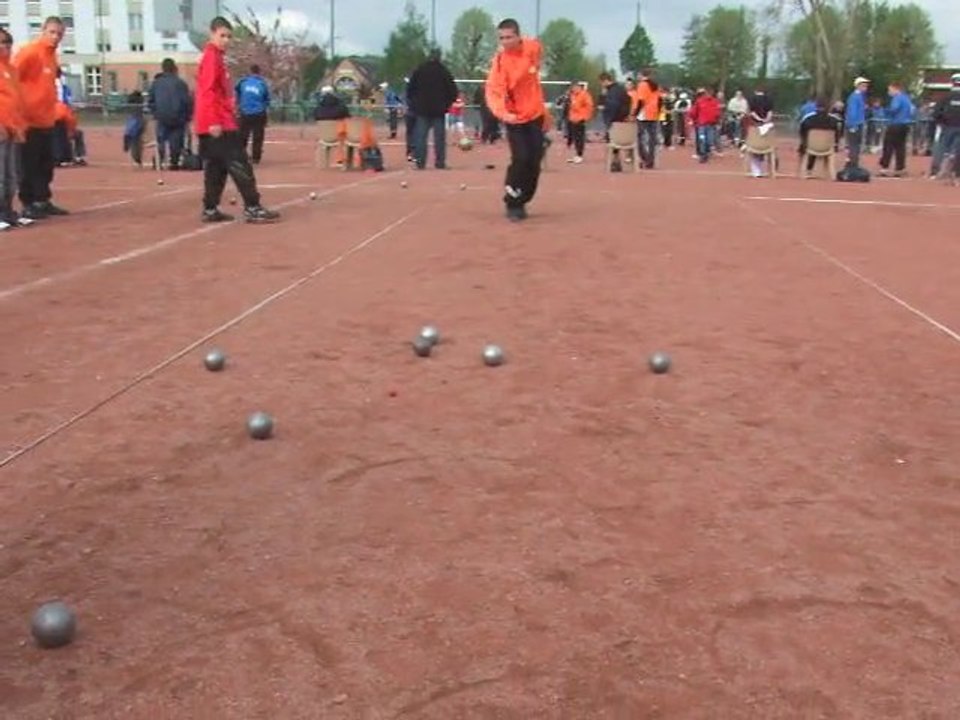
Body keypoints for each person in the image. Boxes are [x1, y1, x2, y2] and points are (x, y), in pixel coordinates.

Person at [194, 16, 278, 223]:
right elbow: (208, 91)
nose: (226, 40)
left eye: (229, 36)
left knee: (216, 167)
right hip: (218, 123)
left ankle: (210, 208)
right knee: (239, 163)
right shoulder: (212, 57)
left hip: (212, 122)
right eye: (222, 35)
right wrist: (214, 120)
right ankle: (252, 206)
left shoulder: (214, 57)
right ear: (212, 34)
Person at [485, 19, 546, 221]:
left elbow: (538, 52)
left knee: (535, 160)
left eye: (509, 37)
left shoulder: (532, 48)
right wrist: (503, 113)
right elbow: (494, 91)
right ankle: (513, 201)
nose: (505, 41)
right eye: (501, 38)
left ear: (519, 36)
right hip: (514, 117)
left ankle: (524, 196)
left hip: (535, 114)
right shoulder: (500, 62)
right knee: (521, 158)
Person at [13, 15, 66, 220]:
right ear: (43, 31)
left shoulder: (52, 57)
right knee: (29, 164)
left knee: (46, 163)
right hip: (28, 120)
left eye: (59, 33)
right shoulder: (30, 52)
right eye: (52, 32)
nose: (56, 37)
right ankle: (28, 203)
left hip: (47, 119)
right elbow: (12, 76)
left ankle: (42, 200)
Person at [407, 48, 458, 170]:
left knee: (420, 137)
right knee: (439, 138)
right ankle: (440, 163)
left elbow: (410, 89)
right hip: (439, 110)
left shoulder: (419, 70)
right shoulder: (443, 71)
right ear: (440, 57)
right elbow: (453, 90)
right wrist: (447, 103)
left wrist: (414, 104)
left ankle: (420, 163)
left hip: (422, 109)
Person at [0, 26, 30, 229]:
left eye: (8, 43)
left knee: (11, 174)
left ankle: (8, 211)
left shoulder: (11, 70)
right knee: (0, 173)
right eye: (2, 43)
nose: (6, 47)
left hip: (12, 127)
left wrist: (19, 127)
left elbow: (16, 101)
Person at [148, 58, 192, 170]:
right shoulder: (181, 83)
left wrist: (155, 112)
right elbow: (187, 101)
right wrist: (188, 116)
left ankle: (160, 159)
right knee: (176, 139)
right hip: (178, 116)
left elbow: (151, 100)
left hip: (162, 115)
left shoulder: (156, 83)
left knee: (161, 138)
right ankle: (174, 162)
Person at [235, 64, 270, 164]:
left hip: (245, 112)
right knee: (258, 136)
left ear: (250, 72)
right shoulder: (262, 83)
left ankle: (240, 156)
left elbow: (237, 93)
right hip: (259, 112)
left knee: (242, 135)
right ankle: (256, 157)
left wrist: (239, 105)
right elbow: (267, 98)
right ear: (259, 72)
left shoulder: (243, 82)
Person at [798, 97, 841, 176]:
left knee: (806, 143)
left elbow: (801, 132)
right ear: (829, 107)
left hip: (810, 146)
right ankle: (829, 172)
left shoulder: (808, 118)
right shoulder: (834, 120)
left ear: (816, 106)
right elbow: (838, 134)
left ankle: (807, 169)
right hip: (827, 147)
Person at [878, 81, 914, 177]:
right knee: (900, 147)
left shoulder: (897, 98)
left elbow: (894, 109)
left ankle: (884, 168)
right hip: (905, 124)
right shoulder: (907, 99)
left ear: (895, 89)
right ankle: (900, 168)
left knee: (888, 146)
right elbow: (911, 111)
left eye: (890, 90)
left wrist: (885, 111)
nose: (889, 92)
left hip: (895, 124)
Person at [930, 72, 960, 179]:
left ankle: (937, 171)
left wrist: (942, 122)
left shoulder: (946, 97)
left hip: (947, 127)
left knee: (942, 149)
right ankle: (956, 172)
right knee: (957, 150)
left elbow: (936, 113)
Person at [599, 72, 631, 171]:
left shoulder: (612, 92)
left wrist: (608, 117)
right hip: (623, 122)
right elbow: (628, 102)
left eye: (601, 83)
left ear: (605, 81)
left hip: (615, 122)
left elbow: (613, 106)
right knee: (617, 140)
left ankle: (615, 161)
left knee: (612, 141)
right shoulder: (621, 89)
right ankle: (617, 160)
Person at [746, 87, 774, 177]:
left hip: (755, 124)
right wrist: (766, 120)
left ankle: (756, 170)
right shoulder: (769, 99)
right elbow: (770, 112)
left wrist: (759, 119)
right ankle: (764, 168)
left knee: (754, 146)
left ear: (756, 91)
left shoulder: (752, 99)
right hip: (766, 125)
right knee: (765, 145)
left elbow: (752, 112)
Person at [689, 87, 722, 163]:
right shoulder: (699, 101)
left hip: (711, 125)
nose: (708, 95)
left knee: (709, 140)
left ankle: (706, 152)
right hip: (702, 125)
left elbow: (717, 113)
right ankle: (703, 155)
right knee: (702, 139)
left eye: (710, 93)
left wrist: (717, 121)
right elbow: (693, 112)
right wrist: (694, 120)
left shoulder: (715, 102)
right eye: (707, 93)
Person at [565, 81, 593, 164]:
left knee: (579, 138)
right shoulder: (572, 95)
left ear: (578, 87)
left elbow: (589, 106)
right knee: (574, 137)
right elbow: (571, 106)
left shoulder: (584, 95)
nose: (573, 89)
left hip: (580, 119)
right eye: (572, 88)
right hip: (572, 119)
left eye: (574, 87)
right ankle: (576, 154)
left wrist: (585, 117)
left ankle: (579, 154)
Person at [844, 76, 869, 168]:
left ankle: (854, 162)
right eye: (863, 85)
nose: (865, 87)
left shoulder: (860, 97)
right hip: (855, 124)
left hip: (859, 123)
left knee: (856, 145)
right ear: (858, 86)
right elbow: (852, 112)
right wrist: (853, 125)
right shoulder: (854, 97)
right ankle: (852, 163)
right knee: (853, 144)